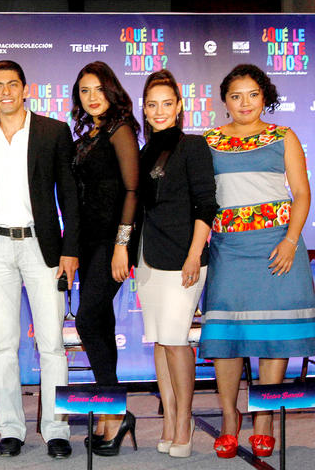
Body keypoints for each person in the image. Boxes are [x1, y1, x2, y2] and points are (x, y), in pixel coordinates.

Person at [200, 64, 315, 459]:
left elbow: (302, 193)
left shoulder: (284, 136)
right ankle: (229, 419)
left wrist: (290, 241)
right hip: (228, 249)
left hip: (276, 246)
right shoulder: (209, 141)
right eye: (236, 96)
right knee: (226, 338)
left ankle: (263, 420)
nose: (244, 103)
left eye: (252, 94)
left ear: (264, 97)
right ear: (225, 101)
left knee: (273, 336)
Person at [0, 60, 79, 459]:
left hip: (42, 247)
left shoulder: (53, 131)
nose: (5, 91)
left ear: (25, 89)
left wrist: (70, 249)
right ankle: (11, 429)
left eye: (12, 84)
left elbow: (69, 194)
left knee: (51, 344)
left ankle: (57, 429)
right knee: (3, 345)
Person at [134, 70, 217, 458]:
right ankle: (169, 420)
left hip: (184, 258)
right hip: (148, 259)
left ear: (180, 106)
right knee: (160, 341)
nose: (159, 111)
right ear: (144, 109)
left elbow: (206, 204)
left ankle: (184, 422)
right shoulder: (144, 151)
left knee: (176, 339)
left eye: (167, 103)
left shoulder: (193, 146)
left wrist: (194, 254)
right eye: (152, 105)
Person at [70, 61, 139, 456]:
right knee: (100, 320)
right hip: (89, 243)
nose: (92, 97)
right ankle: (113, 412)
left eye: (98, 89)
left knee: (86, 319)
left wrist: (122, 244)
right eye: (84, 91)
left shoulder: (120, 129)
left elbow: (132, 190)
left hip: (113, 241)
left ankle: (114, 410)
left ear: (111, 91)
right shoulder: (89, 135)